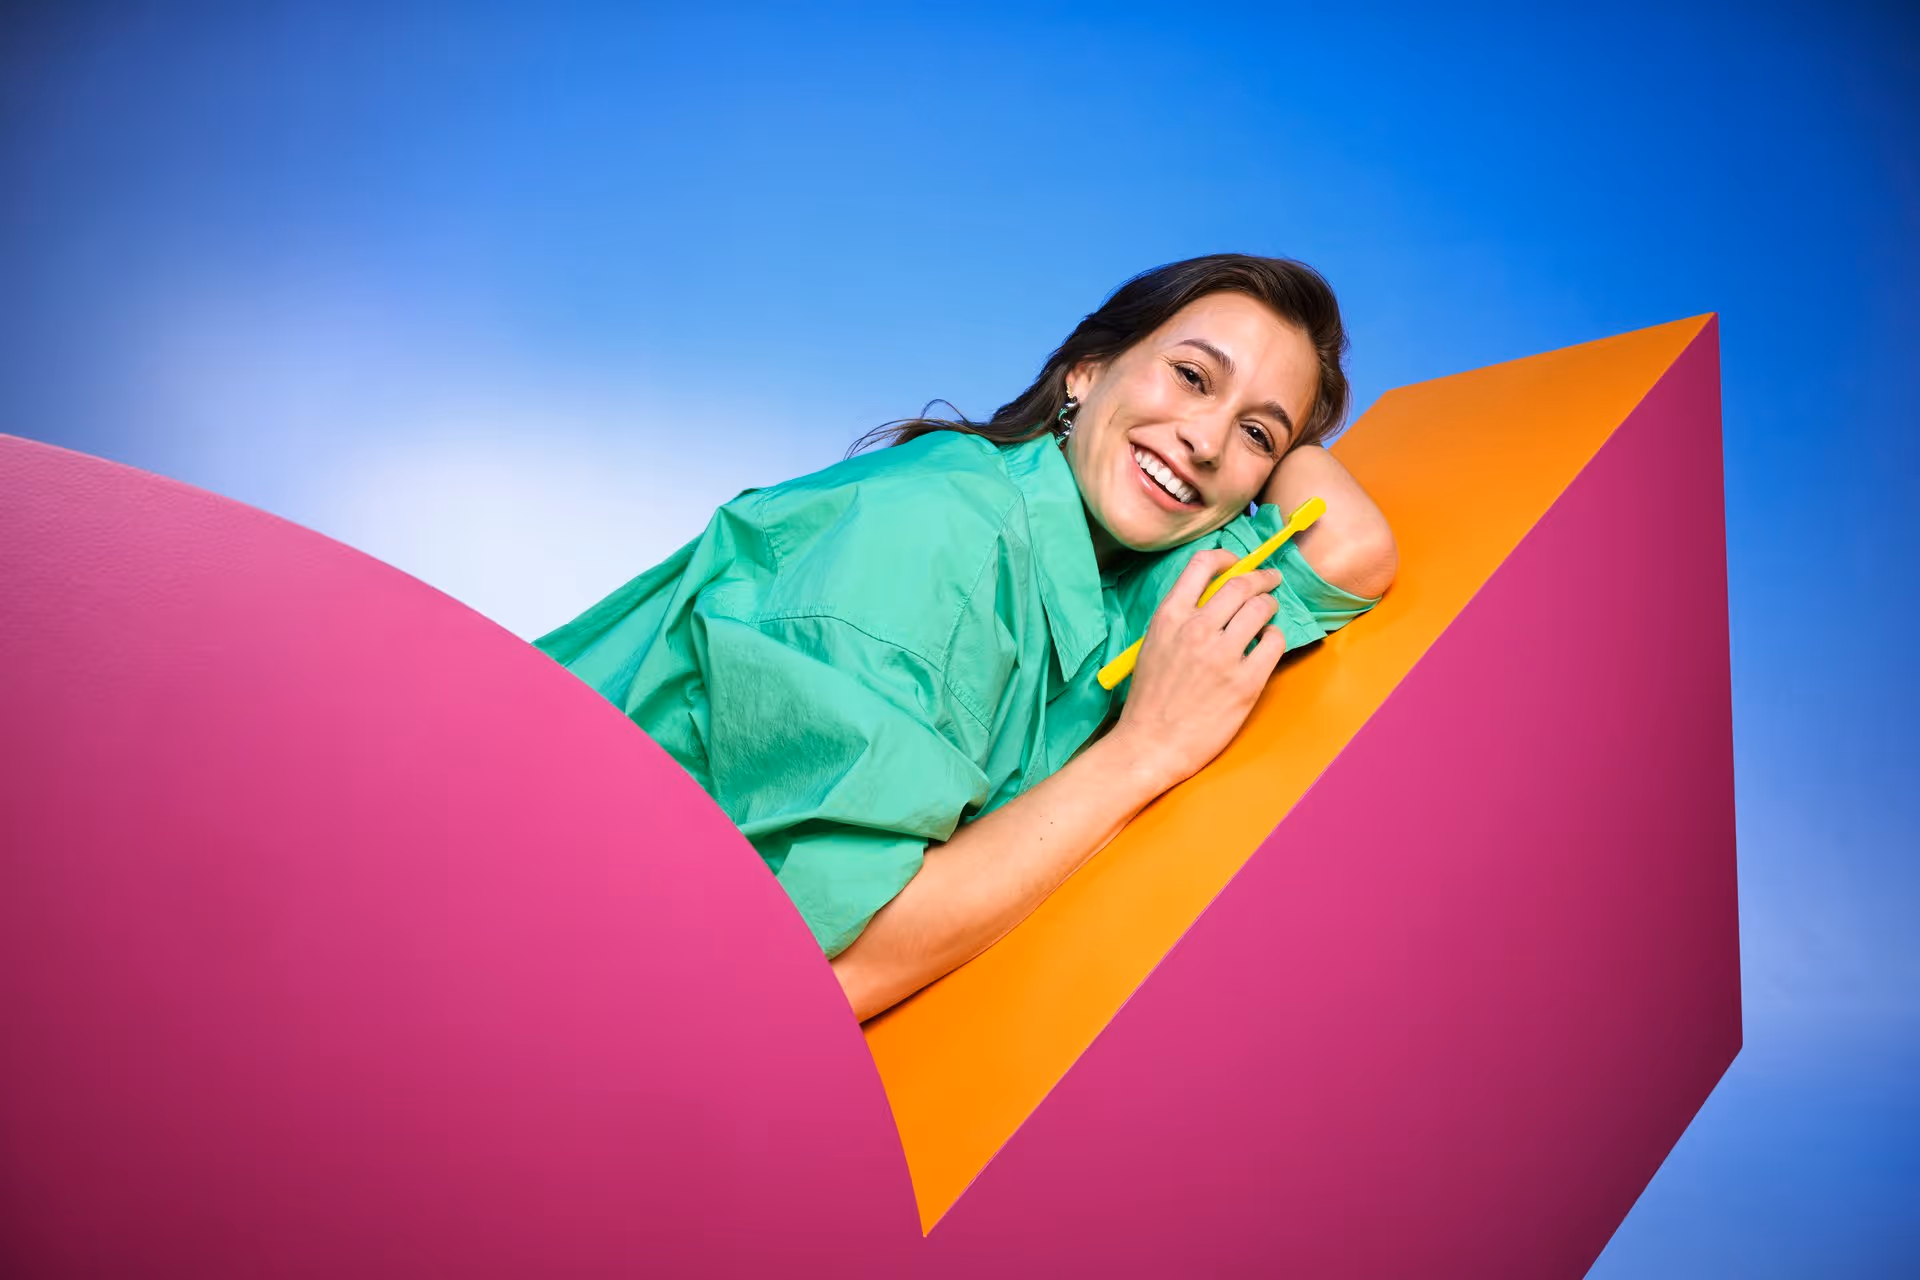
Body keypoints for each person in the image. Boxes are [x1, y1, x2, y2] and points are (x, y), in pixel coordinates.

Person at [533, 253, 1398, 1022]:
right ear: (1086, 371)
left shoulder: (1117, 571)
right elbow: (818, 979)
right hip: (541, 966)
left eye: (1256, 433)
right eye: (1190, 376)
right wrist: (1146, 751)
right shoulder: (935, 536)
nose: (1206, 442)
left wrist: (1294, 435)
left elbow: (1350, 551)